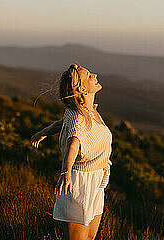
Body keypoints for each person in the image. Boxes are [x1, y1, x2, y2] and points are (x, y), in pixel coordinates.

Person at [31, 64, 112, 240]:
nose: (95, 74)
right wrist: (66, 172)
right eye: (90, 75)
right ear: (82, 89)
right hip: (80, 184)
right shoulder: (78, 117)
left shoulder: (87, 111)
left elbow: (61, 124)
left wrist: (43, 132)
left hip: (96, 180)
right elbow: (73, 142)